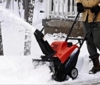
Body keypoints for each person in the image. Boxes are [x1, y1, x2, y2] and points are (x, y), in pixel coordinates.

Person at [75, 0, 100, 74]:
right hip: (86, 16)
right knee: (89, 41)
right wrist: (79, 3)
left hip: (97, 17)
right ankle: (96, 65)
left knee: (97, 40)